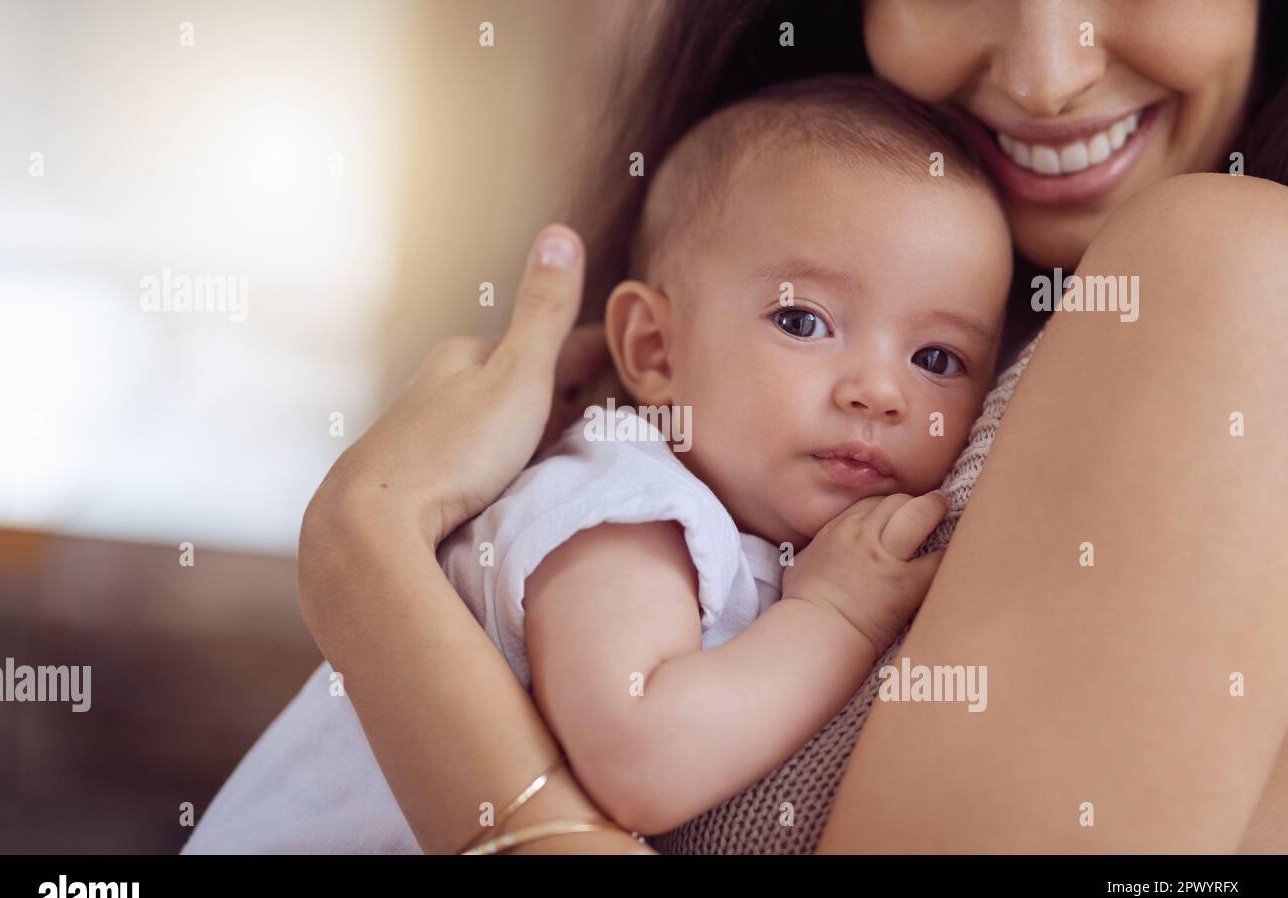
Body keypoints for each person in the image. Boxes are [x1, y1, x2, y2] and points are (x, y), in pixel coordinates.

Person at [223, 0, 1288, 854]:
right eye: (800, 321)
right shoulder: (631, 501)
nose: (1046, 71)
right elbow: (640, 751)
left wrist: (365, 550)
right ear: (654, 343)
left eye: (935, 360)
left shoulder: (1230, 283)